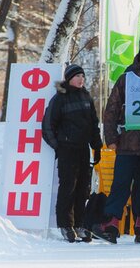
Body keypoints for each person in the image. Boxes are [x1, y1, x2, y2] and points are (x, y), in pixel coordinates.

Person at [92, 43, 140, 244]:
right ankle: (110, 224)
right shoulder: (127, 79)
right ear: (139, 59)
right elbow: (111, 110)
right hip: (127, 143)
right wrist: (110, 139)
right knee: (121, 185)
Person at [42, 64, 103, 243]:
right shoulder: (60, 98)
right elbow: (47, 125)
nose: (81, 79)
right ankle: (65, 224)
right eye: (78, 76)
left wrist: (97, 146)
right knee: (68, 186)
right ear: (69, 79)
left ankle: (79, 224)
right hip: (67, 149)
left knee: (83, 188)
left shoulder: (86, 96)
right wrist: (58, 146)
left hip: (83, 149)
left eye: (83, 76)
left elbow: (93, 124)